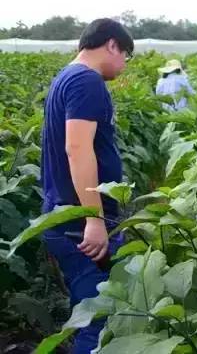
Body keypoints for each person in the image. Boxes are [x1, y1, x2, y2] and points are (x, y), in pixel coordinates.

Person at [41, 18, 133, 354]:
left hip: (69, 218)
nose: (123, 65)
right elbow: (77, 148)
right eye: (125, 55)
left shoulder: (67, 77)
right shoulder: (86, 81)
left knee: (99, 309)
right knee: (99, 319)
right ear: (111, 44)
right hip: (79, 225)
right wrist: (93, 220)